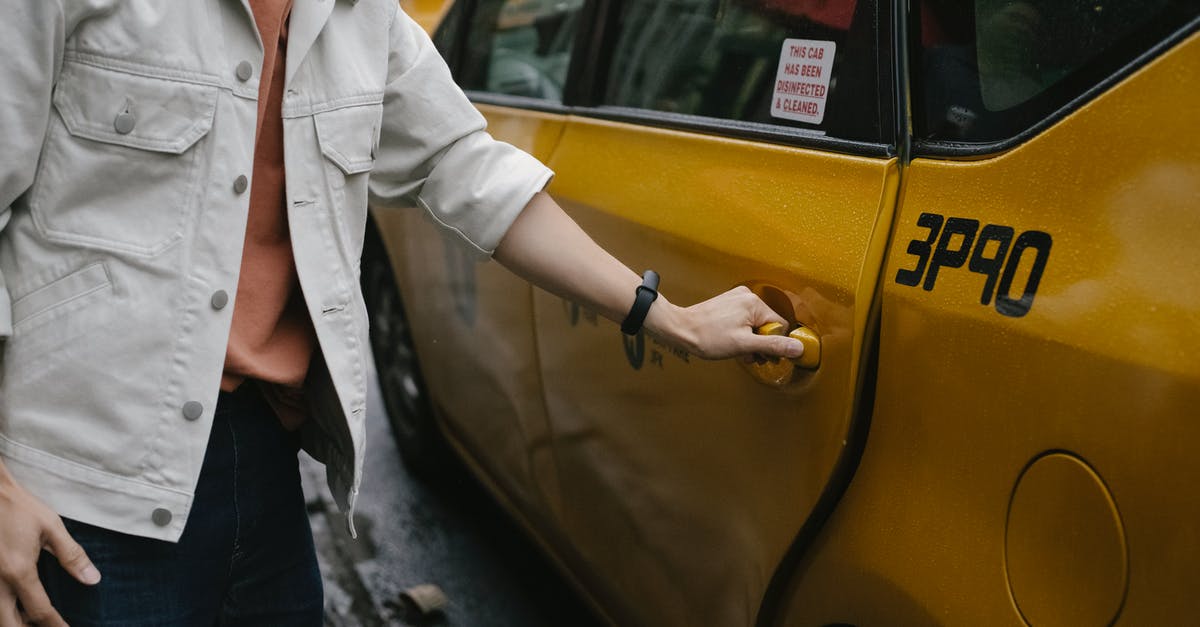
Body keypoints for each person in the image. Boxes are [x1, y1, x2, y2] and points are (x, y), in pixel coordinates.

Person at [0, 1, 804, 624]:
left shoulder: (359, 16)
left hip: (264, 463)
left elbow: (464, 165)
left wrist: (669, 317)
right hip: (79, 488)